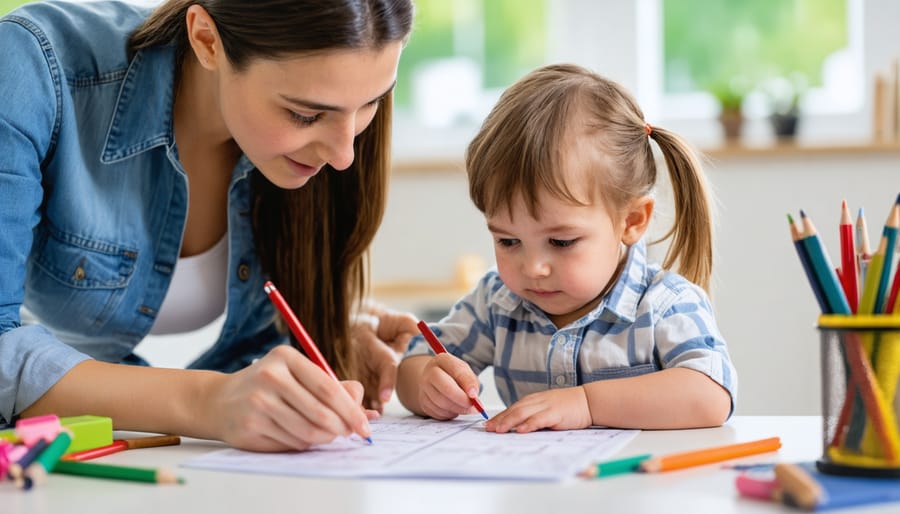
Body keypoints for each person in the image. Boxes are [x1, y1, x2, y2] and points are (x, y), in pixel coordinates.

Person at [0, 0, 419, 452]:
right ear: (206, 40)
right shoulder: (32, 64)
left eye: (372, 103)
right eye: (304, 115)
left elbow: (260, 341)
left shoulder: (332, 135)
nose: (344, 156)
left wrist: (335, 334)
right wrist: (209, 402)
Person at [396, 64, 738, 433]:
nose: (533, 267)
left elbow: (711, 395)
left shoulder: (663, 305)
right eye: (508, 241)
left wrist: (587, 404)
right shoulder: (497, 302)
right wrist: (427, 383)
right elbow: (412, 365)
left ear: (632, 221)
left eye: (561, 242)